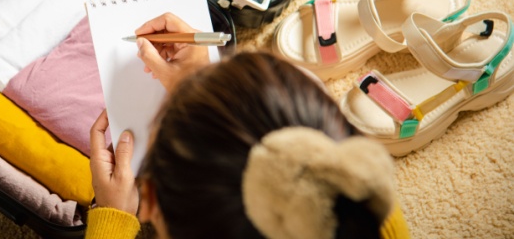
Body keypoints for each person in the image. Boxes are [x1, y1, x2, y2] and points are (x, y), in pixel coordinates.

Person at [86, 13, 410, 239]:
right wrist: (204, 89)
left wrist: (112, 219)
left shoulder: (358, 192)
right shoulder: (365, 206)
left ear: (151, 201)